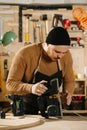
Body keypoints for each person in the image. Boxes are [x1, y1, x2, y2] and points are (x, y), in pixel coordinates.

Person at [6, 27, 75, 115]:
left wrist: (68, 93)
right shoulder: (25, 54)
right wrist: (31, 88)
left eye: (64, 52)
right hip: (27, 109)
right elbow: (10, 84)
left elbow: (69, 81)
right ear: (46, 44)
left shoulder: (66, 56)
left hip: (52, 107)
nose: (60, 56)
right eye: (57, 52)